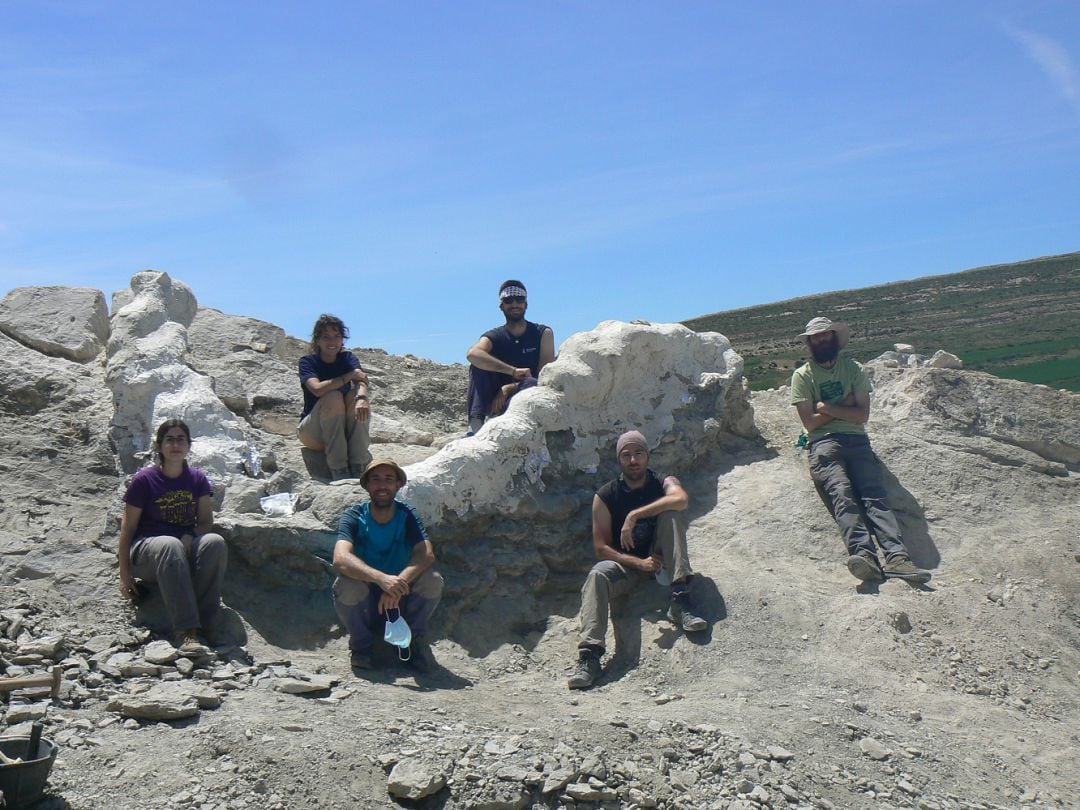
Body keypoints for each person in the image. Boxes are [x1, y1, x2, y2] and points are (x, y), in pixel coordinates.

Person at [790, 316, 931, 584]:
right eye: (815, 337)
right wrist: (844, 406)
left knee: (873, 495)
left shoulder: (853, 369)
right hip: (823, 443)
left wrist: (826, 407)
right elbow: (809, 423)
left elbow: (862, 414)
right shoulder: (802, 376)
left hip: (857, 440)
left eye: (825, 335)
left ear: (834, 338)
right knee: (842, 494)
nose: (821, 340)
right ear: (810, 342)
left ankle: (898, 558)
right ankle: (864, 557)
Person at [568, 431, 707, 690]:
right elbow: (601, 548)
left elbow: (681, 499)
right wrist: (638, 564)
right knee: (597, 574)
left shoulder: (663, 481)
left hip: (661, 559)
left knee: (672, 516)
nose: (633, 460)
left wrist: (634, 515)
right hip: (628, 566)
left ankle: (681, 599)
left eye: (638, 454)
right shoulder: (606, 495)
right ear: (619, 460)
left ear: (648, 456)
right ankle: (590, 656)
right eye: (626, 455)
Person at [118, 418, 227, 657]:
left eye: (181, 440)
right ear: (159, 446)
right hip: (148, 552)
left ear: (189, 445)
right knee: (169, 544)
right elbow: (127, 529)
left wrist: (191, 535)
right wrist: (125, 574)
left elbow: (207, 522)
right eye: (169, 440)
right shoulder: (144, 480)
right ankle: (186, 631)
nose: (175, 445)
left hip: (182, 548)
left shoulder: (197, 479)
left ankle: (207, 626)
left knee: (214, 542)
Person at [332, 459, 444, 674]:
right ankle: (361, 647)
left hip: (400, 597)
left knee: (432, 581)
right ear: (366, 485)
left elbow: (426, 553)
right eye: (375, 479)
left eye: (388, 479)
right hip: (367, 597)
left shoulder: (407, 514)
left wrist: (397, 583)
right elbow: (340, 558)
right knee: (346, 585)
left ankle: (413, 643)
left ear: (398, 485)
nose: (382, 485)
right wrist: (381, 579)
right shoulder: (354, 516)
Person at [466, 280, 556, 434]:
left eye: (519, 300)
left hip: (527, 392)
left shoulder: (542, 333)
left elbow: (545, 377)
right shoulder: (495, 336)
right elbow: (473, 354)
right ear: (502, 306)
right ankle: (475, 427)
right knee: (477, 366)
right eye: (508, 300)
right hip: (497, 401)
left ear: (526, 304)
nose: (514, 304)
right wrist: (512, 371)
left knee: (534, 382)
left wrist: (509, 387)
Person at [298, 314, 372, 481]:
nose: (332, 342)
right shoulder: (308, 362)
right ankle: (339, 470)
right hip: (314, 433)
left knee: (355, 396)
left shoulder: (348, 358)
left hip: (342, 431)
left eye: (336, 336)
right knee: (332, 396)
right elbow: (316, 389)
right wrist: (348, 377)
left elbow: (361, 380)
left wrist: (362, 398)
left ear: (342, 340)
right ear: (317, 341)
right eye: (326, 337)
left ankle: (359, 466)